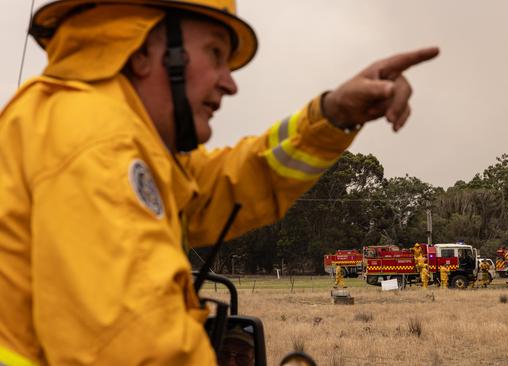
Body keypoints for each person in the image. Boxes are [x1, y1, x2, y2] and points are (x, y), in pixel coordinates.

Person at [0, 0, 438, 364]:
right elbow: (140, 349)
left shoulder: (107, 137)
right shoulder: (94, 144)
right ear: (140, 49)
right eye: (214, 53)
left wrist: (334, 115)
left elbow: (235, 183)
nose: (230, 84)